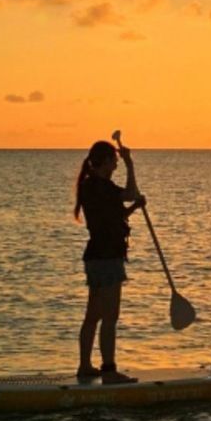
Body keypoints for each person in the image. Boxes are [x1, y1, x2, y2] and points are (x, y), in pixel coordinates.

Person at [74, 140, 146, 383]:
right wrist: (130, 163)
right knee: (110, 316)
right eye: (114, 161)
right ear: (105, 162)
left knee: (93, 315)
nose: (115, 165)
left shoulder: (88, 187)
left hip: (94, 256)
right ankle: (109, 370)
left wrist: (134, 208)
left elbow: (112, 216)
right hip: (107, 258)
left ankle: (85, 366)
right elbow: (129, 193)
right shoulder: (102, 186)